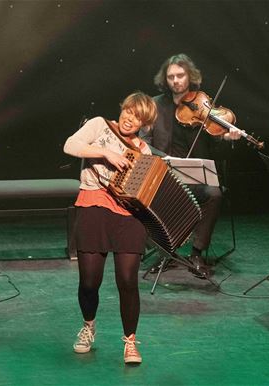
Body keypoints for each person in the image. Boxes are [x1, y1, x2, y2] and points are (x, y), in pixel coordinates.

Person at [64, 92, 158, 365]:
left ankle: (130, 341)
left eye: (138, 117)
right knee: (89, 282)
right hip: (93, 204)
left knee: (128, 281)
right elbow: (71, 145)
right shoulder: (99, 125)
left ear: (144, 123)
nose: (130, 119)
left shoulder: (144, 150)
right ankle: (89, 326)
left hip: (128, 215)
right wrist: (106, 152)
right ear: (123, 108)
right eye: (129, 111)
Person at [140, 53, 241, 278]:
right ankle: (164, 251)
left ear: (190, 76)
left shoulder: (204, 107)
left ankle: (196, 253)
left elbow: (217, 146)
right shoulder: (154, 105)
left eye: (180, 75)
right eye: (171, 77)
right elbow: (143, 143)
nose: (176, 81)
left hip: (196, 177)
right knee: (144, 196)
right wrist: (163, 159)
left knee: (214, 193)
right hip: (163, 174)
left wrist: (227, 138)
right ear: (165, 80)